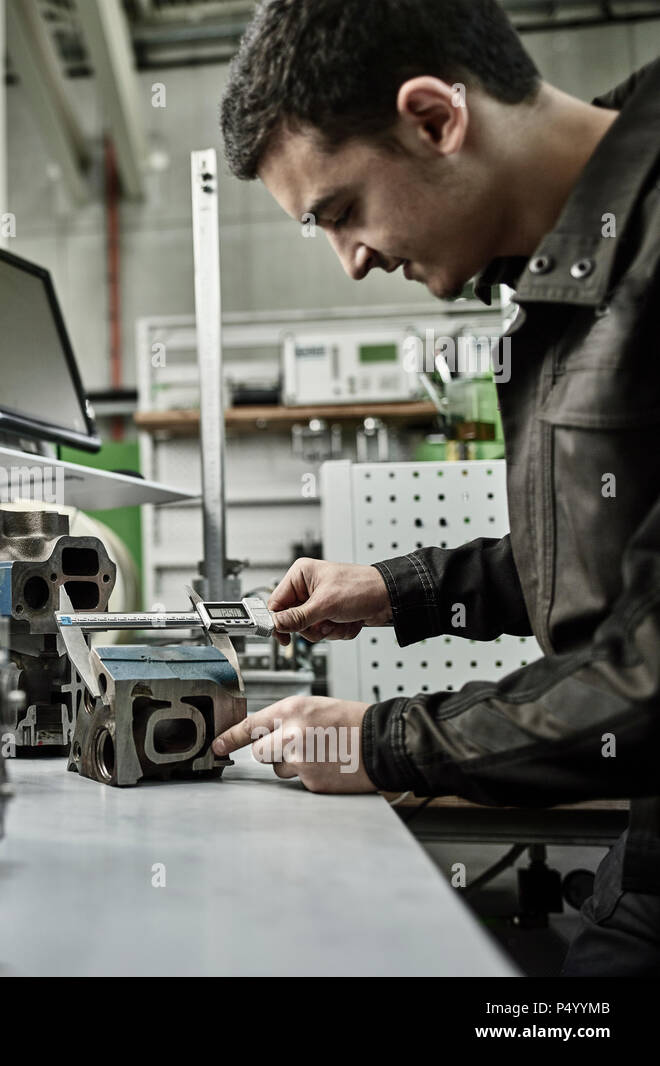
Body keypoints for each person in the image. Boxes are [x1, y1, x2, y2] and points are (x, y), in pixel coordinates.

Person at [210, 0, 660, 975]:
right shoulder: (566, 273)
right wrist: (392, 588)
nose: (354, 260)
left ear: (433, 118)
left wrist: (379, 743)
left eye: (339, 211)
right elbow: (620, 561)